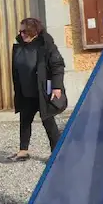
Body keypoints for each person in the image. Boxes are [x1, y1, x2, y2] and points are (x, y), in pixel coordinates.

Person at [9, 17, 67, 161]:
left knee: (48, 121)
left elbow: (57, 65)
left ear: (34, 30)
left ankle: (56, 153)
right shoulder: (19, 46)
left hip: (42, 91)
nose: (22, 34)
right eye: (20, 31)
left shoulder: (46, 44)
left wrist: (57, 86)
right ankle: (23, 151)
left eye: (25, 31)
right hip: (26, 91)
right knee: (25, 120)